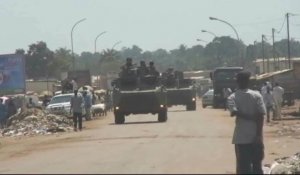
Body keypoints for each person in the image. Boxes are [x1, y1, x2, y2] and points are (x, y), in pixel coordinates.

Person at [227, 71, 266, 174]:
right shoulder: (257, 95)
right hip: (256, 137)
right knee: (257, 166)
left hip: (241, 138)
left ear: (237, 82)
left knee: (243, 167)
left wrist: (248, 117)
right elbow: (261, 115)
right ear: (249, 81)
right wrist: (258, 135)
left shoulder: (232, 97)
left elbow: (234, 112)